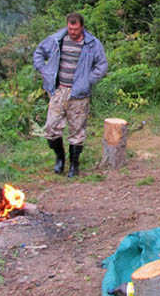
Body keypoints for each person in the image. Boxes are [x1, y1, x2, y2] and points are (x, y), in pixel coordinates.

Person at [33, 13, 108, 177]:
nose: (72, 32)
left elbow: (102, 65)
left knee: (77, 130)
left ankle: (75, 165)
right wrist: (45, 71)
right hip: (59, 91)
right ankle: (60, 159)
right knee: (50, 128)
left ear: (82, 27)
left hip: (79, 93)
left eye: (76, 29)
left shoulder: (92, 44)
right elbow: (39, 53)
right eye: (70, 28)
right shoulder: (55, 40)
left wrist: (89, 80)